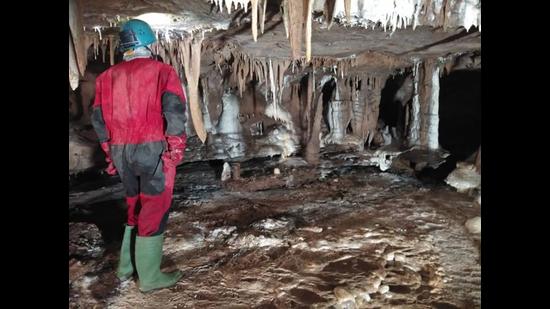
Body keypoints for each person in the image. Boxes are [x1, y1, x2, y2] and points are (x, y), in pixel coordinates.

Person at [91, 19, 187, 293]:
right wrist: (175, 146)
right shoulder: (162, 71)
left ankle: (125, 267)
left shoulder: (105, 78)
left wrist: (110, 151)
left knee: (133, 205)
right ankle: (149, 278)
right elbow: (174, 110)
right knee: (154, 207)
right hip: (153, 147)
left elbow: (99, 119)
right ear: (148, 42)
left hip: (121, 151)